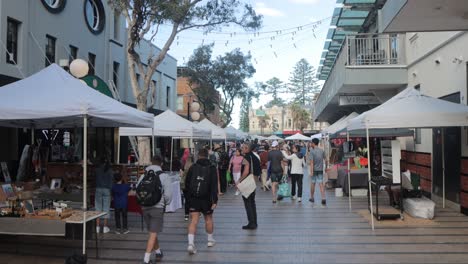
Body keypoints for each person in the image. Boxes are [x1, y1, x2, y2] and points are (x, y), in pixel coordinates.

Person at [138, 156, 173, 264]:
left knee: (152, 231)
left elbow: (137, 188)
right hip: (157, 207)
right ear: (161, 164)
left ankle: (158, 252)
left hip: (144, 206)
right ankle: (146, 259)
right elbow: (168, 195)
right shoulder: (164, 176)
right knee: (153, 233)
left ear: (151, 163)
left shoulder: (144, 175)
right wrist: (165, 203)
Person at [185, 148, 218, 254]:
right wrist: (214, 200)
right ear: (207, 156)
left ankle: (190, 244)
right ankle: (209, 240)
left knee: (194, 220)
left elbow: (187, 184)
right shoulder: (212, 168)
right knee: (208, 218)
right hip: (207, 198)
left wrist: (188, 199)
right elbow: (214, 186)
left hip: (194, 197)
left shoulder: (193, 167)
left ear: (198, 156)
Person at [238, 142, 258, 229]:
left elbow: (246, 171)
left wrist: (239, 181)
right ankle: (254, 222)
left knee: (247, 203)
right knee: (252, 202)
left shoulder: (246, 158)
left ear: (247, 148)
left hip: (247, 182)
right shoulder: (255, 157)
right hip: (253, 182)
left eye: (243, 148)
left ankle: (251, 223)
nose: (241, 149)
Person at [94, 157, 113, 234]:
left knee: (98, 209)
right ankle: (105, 227)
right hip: (107, 190)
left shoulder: (97, 170)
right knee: (106, 209)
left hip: (98, 189)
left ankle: (97, 227)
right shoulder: (110, 170)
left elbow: (94, 180)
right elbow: (111, 182)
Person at [309, 138, 327, 206]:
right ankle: (323, 198)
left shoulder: (312, 151)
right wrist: (326, 167)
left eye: (311, 143)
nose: (311, 144)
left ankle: (312, 197)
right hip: (320, 169)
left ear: (313, 143)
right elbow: (326, 160)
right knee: (321, 184)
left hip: (314, 170)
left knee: (313, 183)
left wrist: (311, 171)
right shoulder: (322, 151)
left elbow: (311, 162)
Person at [180, 155, 193, 221]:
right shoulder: (193, 167)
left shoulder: (183, 167)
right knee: (192, 200)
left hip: (184, 186)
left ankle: (186, 215)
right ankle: (193, 213)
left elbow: (181, 175)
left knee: (187, 201)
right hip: (191, 186)